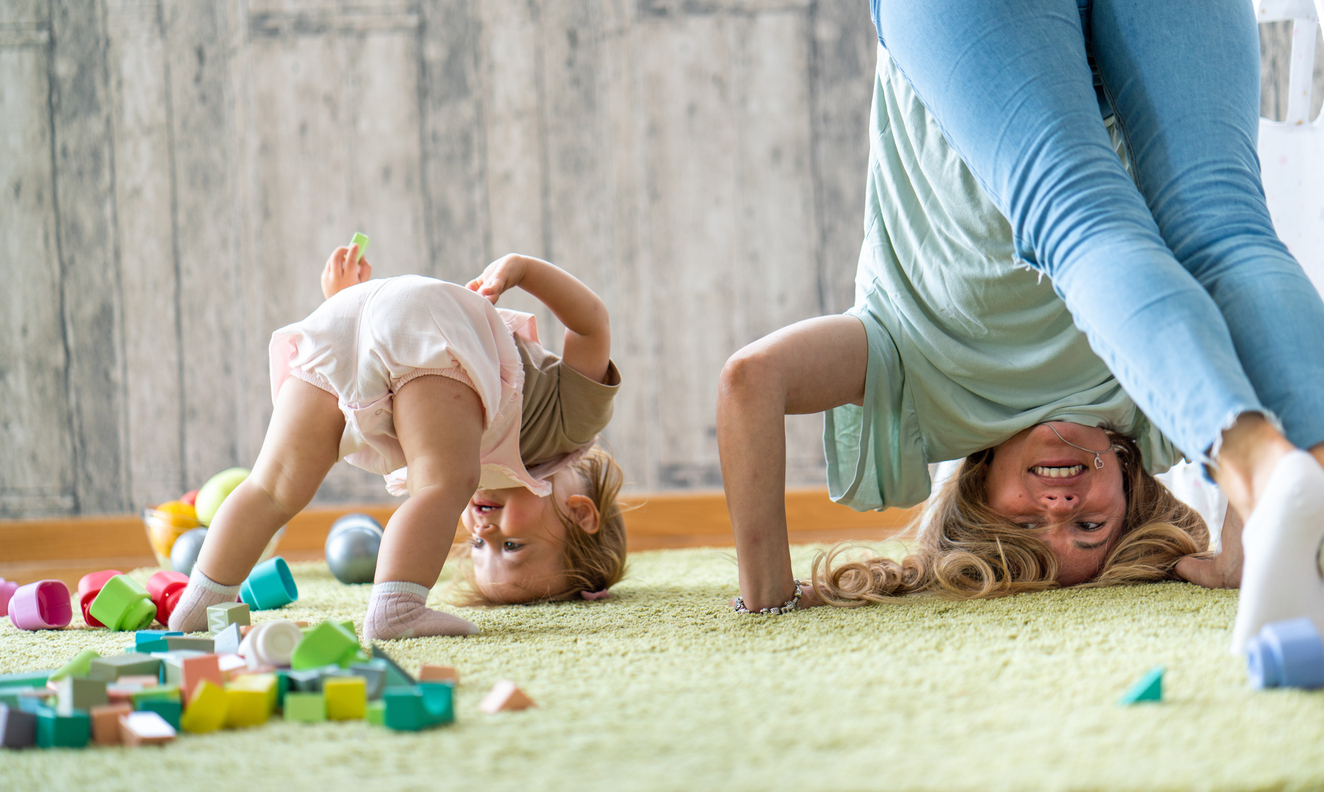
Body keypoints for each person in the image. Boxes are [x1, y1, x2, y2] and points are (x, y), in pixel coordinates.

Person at [718, 0, 1324, 651]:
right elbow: (1247, 342)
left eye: (1025, 532)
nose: (1060, 513)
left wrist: (769, 597)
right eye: (1093, 528)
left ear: (975, 499)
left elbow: (752, 381)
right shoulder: (1156, 404)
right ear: (1127, 479)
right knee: (1229, 229)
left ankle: (1267, 473)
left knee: (1089, 221)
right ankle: (1298, 490)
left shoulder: (918, 383)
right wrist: (1239, 546)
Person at [168, 244, 626, 639]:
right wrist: (521, 270)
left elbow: (381, 371)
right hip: (427, 323)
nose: (485, 533)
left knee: (271, 488)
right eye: (512, 546)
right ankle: (398, 609)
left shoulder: (464, 442)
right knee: (440, 487)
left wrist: (346, 305)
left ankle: (199, 606)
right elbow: (591, 324)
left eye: (480, 548)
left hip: (341, 322)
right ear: (580, 513)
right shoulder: (572, 422)